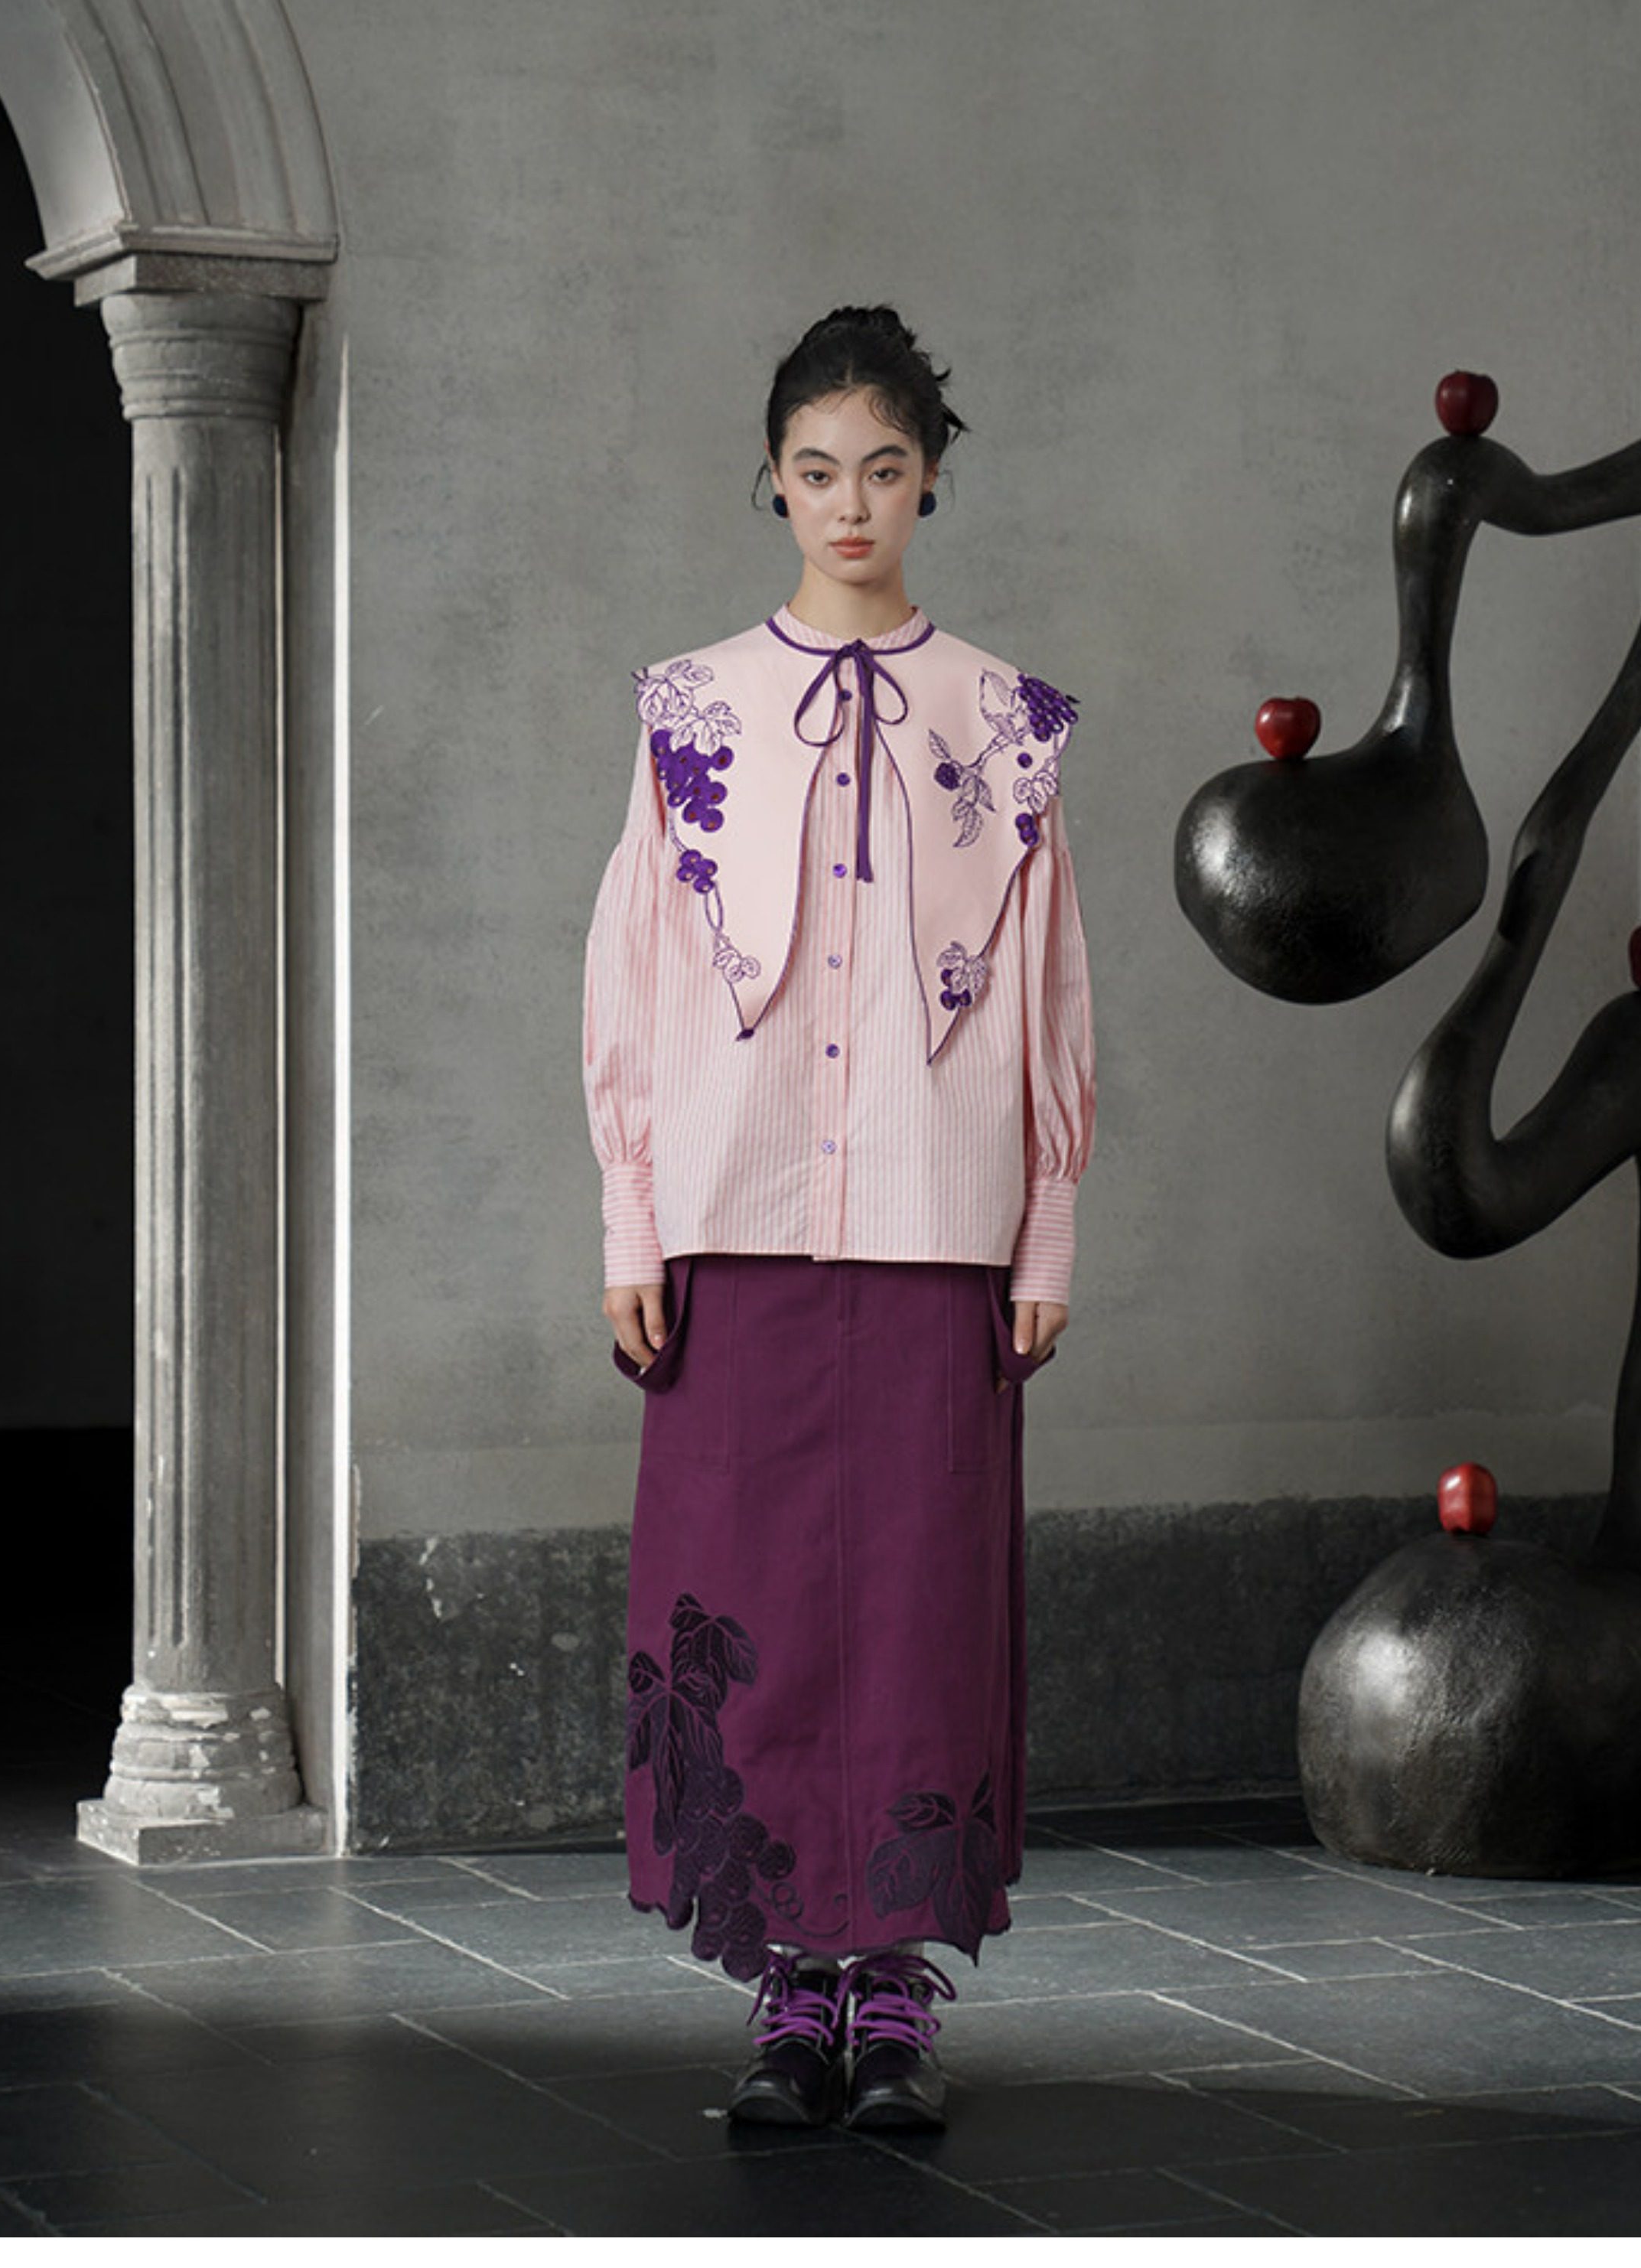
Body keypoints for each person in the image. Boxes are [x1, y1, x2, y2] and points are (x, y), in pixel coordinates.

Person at [581, 305, 1095, 2133]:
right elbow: (635, 973)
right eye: (816, 471)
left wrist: (1045, 1226)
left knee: (917, 1606)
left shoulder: (1007, 725)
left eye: (883, 468)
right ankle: (787, 1989)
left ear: (930, 479)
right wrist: (632, 1216)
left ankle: (889, 1993)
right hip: (733, 1220)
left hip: (939, 1226)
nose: (850, 502)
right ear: (774, 484)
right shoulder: (690, 708)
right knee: (753, 1607)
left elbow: (1046, 985)